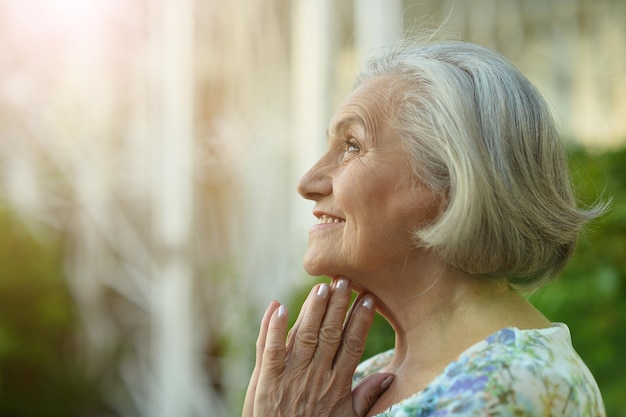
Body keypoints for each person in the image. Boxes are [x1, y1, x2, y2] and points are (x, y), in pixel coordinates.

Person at [242, 40, 607, 417]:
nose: (308, 182)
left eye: (351, 145)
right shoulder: (368, 376)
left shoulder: (508, 386)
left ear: (450, 180)